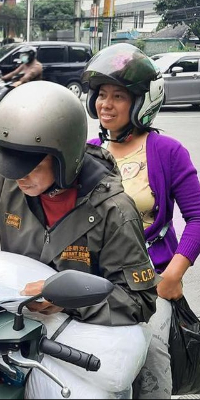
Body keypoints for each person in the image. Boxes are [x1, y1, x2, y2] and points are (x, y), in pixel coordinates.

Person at [0, 80, 158, 327]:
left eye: (31, 167)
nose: (18, 177)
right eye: (11, 164)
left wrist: (70, 301)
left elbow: (139, 299)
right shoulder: (6, 180)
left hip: (80, 338)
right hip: (16, 323)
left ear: (65, 161)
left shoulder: (114, 211)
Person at [82, 43, 200, 399]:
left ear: (142, 102)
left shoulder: (167, 152)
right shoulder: (87, 151)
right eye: (101, 94)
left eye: (118, 95)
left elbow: (197, 218)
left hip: (150, 281)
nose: (106, 104)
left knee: (149, 356)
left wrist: (173, 276)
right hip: (95, 281)